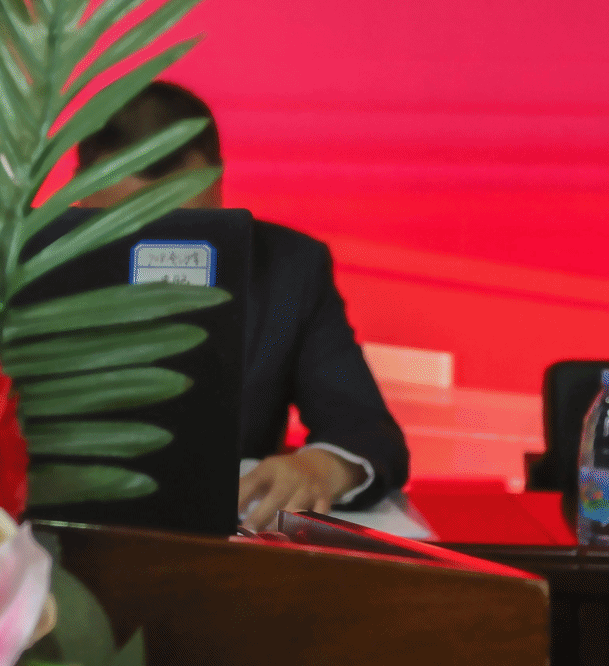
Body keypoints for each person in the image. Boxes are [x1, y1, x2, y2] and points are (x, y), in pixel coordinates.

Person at [77, 81, 411, 531]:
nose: (159, 254)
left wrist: (321, 468)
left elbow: (366, 429)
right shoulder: (14, 268)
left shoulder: (290, 268)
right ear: (80, 195)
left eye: (184, 228)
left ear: (218, 184)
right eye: (128, 227)